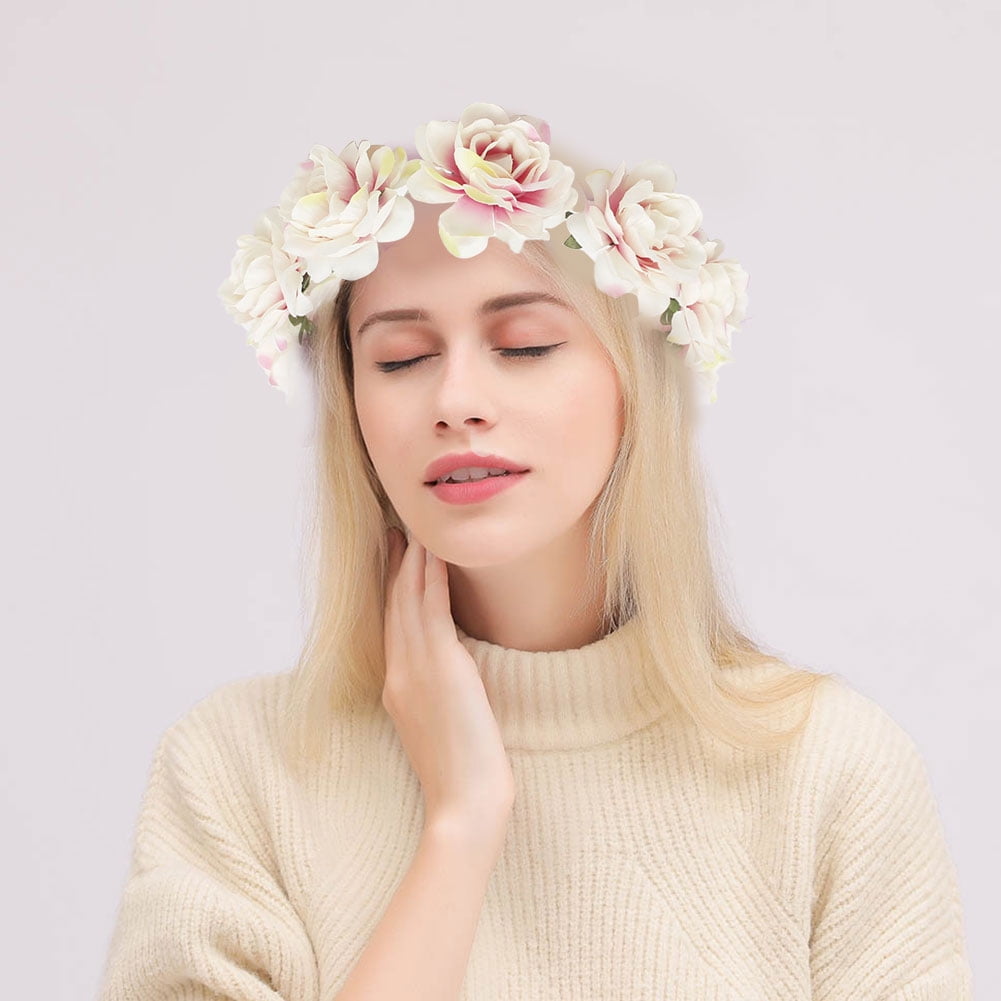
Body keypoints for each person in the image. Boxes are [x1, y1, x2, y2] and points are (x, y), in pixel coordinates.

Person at [96, 103, 974, 1000]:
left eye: (524, 344)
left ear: (637, 384)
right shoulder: (236, 772)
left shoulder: (825, 766)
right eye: (399, 358)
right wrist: (461, 825)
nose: (456, 399)